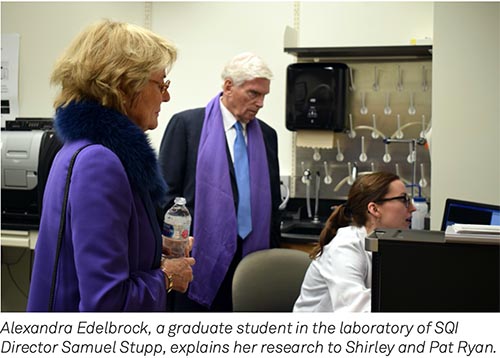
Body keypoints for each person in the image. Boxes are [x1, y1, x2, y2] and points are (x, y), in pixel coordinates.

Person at [27, 19, 195, 312]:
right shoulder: (99, 163)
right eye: (161, 84)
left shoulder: (79, 148)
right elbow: (106, 303)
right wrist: (168, 276)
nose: (166, 96)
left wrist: (156, 250)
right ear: (124, 85)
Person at [158, 52, 282, 311]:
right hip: (198, 257)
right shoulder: (187, 125)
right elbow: (164, 196)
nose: (260, 103)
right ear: (228, 86)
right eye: (253, 93)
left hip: (250, 257)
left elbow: (271, 205)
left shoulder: (268, 136)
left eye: (263, 96)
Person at [293, 172, 416, 312]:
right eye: (404, 200)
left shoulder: (387, 244)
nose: (413, 208)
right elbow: (356, 312)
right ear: (374, 209)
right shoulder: (344, 248)